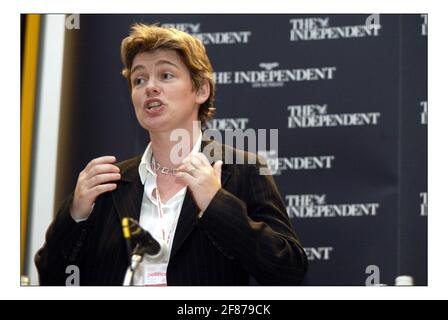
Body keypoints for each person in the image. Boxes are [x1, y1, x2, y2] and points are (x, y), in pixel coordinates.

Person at [35, 23, 308, 286]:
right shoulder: (109, 184)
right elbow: (52, 279)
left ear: (201, 90)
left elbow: (288, 271)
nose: (149, 87)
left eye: (165, 75)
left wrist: (217, 205)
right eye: (139, 79)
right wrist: (75, 216)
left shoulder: (240, 170)